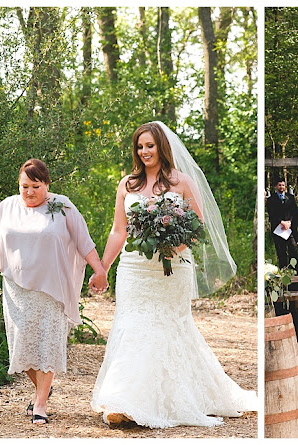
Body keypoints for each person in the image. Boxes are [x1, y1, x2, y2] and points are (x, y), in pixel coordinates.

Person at [89, 122, 257, 428]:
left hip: (171, 269)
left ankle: (166, 398)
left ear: (162, 147)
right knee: (132, 326)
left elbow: (198, 227)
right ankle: (123, 400)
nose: (144, 152)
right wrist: (103, 267)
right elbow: (118, 230)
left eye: (150, 146)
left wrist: (173, 247)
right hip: (134, 268)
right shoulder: (127, 184)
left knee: (168, 328)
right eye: (140, 146)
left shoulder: (182, 183)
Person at [0, 159, 108, 425]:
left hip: (52, 289)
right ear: (18, 184)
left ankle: (41, 405)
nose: (30, 192)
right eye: (25, 186)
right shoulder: (6, 208)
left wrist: (99, 270)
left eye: (36, 186)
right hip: (16, 289)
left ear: (47, 184)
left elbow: (83, 241)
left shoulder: (62, 206)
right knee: (22, 348)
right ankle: (41, 390)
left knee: (47, 346)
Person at [266, 178, 298, 268]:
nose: (281, 187)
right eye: (279, 185)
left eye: (283, 185)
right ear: (276, 186)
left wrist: (289, 222)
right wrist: (281, 222)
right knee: (281, 250)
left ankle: (294, 268)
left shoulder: (290, 197)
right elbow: (271, 213)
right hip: (278, 228)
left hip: (289, 227)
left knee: (293, 248)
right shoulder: (271, 199)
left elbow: (294, 211)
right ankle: (283, 269)